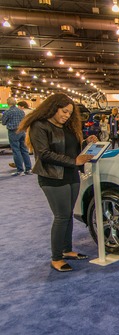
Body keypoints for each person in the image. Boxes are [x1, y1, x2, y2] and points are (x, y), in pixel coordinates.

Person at [17, 93, 98, 272]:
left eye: (69, 113)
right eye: (64, 111)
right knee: (61, 216)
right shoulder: (40, 126)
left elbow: (72, 149)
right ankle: (56, 257)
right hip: (52, 177)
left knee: (67, 214)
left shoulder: (68, 127)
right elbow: (44, 154)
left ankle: (67, 250)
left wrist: (86, 142)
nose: (67, 115)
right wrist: (74, 162)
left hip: (71, 175)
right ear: (53, 108)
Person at [2, 97, 32, 176]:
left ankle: (20, 170)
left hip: (13, 132)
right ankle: (28, 169)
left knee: (16, 151)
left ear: (8, 103)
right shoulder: (21, 111)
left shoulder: (8, 112)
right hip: (22, 132)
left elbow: (4, 122)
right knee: (24, 150)